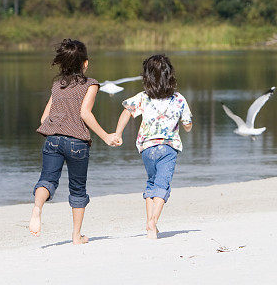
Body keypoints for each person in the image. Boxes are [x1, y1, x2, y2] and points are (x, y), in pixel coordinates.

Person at [29, 39, 119, 243]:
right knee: (77, 188)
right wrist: (105, 136)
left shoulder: (57, 85)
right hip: (77, 143)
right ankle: (76, 236)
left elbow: (44, 119)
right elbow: (85, 113)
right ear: (85, 63)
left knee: (47, 180)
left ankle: (37, 208)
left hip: (52, 140)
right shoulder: (91, 84)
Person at [114, 54, 192, 239]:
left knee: (152, 182)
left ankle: (151, 228)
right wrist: (186, 126)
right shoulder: (179, 99)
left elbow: (127, 112)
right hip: (168, 147)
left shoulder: (143, 97)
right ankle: (153, 220)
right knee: (162, 186)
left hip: (147, 148)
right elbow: (188, 124)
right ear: (170, 76)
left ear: (147, 78)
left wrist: (118, 133)